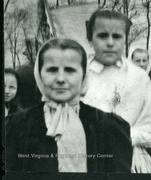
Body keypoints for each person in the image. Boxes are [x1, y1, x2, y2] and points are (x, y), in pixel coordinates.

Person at [6, 38, 132, 172]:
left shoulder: (108, 127)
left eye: (70, 70)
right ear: (39, 74)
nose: (61, 79)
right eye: (52, 70)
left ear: (84, 74)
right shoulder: (17, 126)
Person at [82, 9, 151, 173]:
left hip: (130, 160)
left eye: (117, 36)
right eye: (102, 36)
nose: (110, 42)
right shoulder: (77, 73)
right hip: (86, 158)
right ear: (90, 39)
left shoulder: (138, 78)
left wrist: (120, 137)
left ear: (125, 40)